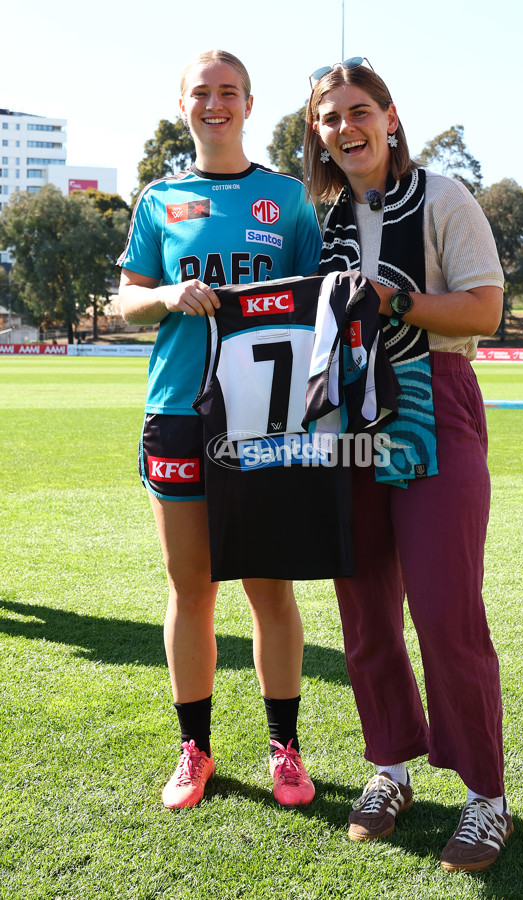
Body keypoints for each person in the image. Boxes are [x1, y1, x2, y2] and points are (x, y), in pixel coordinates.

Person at [304, 57, 512, 872]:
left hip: (434, 401)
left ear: (390, 117)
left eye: (359, 111)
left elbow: (484, 308)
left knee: (445, 611)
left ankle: (485, 796)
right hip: (343, 415)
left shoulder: (444, 196)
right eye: (329, 118)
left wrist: (393, 300)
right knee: (363, 609)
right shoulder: (316, 214)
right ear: (316, 133)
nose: (345, 128)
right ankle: (389, 770)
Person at [118, 49, 321, 810]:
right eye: (201, 93)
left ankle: (285, 750)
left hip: (264, 414)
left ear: (249, 103)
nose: (215, 103)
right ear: (183, 106)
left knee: (271, 586)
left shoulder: (288, 198)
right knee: (191, 586)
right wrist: (168, 292)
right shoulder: (158, 200)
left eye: (228, 92)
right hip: (177, 409)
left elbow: (314, 302)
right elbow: (124, 301)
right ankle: (194, 750)